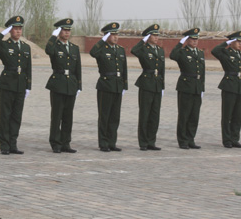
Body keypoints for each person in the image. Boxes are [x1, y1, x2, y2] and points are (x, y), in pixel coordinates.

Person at [0, 15, 32, 155]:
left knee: (16, 116)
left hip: (20, 84)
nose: (18, 31)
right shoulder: (4, 45)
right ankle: (4, 145)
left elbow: (28, 68)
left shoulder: (26, 47)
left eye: (20, 29)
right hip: (7, 84)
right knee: (5, 115)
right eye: (15, 29)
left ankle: (13, 144)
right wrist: (2, 33)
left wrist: (28, 86)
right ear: (10, 30)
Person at [45, 18, 82, 153]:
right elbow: (48, 50)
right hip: (58, 83)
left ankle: (66, 143)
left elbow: (78, 68)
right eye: (64, 30)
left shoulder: (74, 48)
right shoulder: (55, 46)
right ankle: (55, 142)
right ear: (59, 31)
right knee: (57, 115)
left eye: (68, 30)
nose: (67, 33)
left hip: (71, 84)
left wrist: (79, 86)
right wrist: (53, 36)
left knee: (68, 116)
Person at [90, 22, 128, 152]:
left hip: (118, 85)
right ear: (106, 36)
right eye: (112, 34)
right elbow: (92, 52)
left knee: (115, 117)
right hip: (105, 85)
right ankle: (103, 143)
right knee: (104, 116)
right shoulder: (101, 48)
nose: (116, 37)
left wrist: (125, 85)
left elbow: (124, 69)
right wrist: (102, 41)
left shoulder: (120, 50)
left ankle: (112, 142)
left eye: (117, 34)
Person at [131, 24, 165, 151]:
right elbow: (134, 50)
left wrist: (163, 86)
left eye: (157, 35)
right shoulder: (143, 49)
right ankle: (143, 142)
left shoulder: (160, 50)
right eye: (153, 35)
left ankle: (152, 141)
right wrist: (143, 40)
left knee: (155, 114)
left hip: (157, 84)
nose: (156, 37)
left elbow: (162, 70)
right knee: (145, 114)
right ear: (148, 36)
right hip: (146, 83)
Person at [170, 28, 205, 150]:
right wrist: (180, 43)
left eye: (196, 39)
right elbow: (172, 55)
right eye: (192, 39)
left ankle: (191, 139)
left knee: (194, 115)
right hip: (186, 87)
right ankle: (182, 140)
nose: (195, 41)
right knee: (184, 115)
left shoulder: (200, 53)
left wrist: (202, 88)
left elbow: (202, 72)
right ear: (187, 39)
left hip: (197, 87)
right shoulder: (182, 52)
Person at [211, 31, 241, 148]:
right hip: (229, 86)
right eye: (237, 41)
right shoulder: (225, 53)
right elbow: (214, 51)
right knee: (227, 115)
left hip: (239, 87)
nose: (240, 44)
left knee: (238, 115)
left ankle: (235, 139)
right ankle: (227, 140)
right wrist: (226, 42)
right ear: (231, 42)